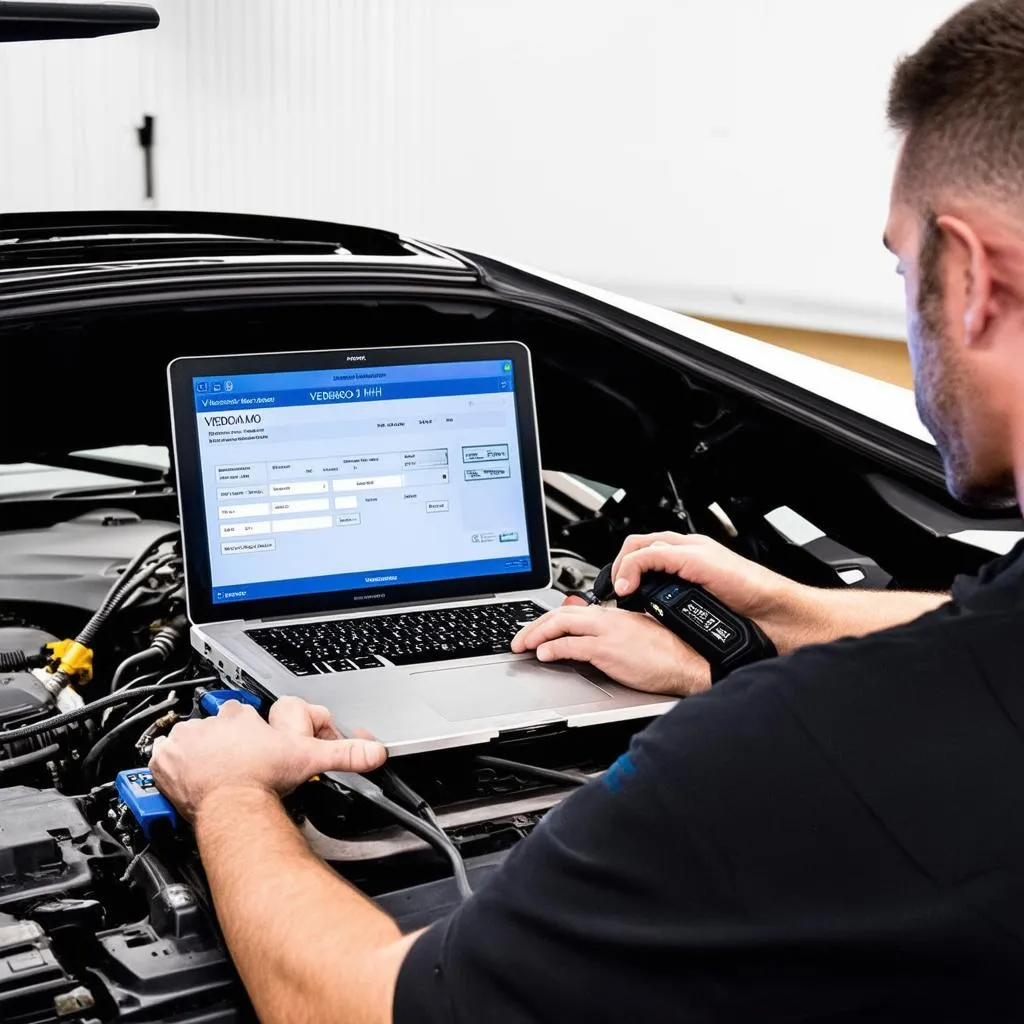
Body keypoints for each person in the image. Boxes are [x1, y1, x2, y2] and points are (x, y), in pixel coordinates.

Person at [150, 2, 1024, 1020]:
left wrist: (233, 793)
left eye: (899, 266)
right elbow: (983, 622)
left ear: (969, 278)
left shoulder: (783, 757)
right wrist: (786, 612)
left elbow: (359, 1005)